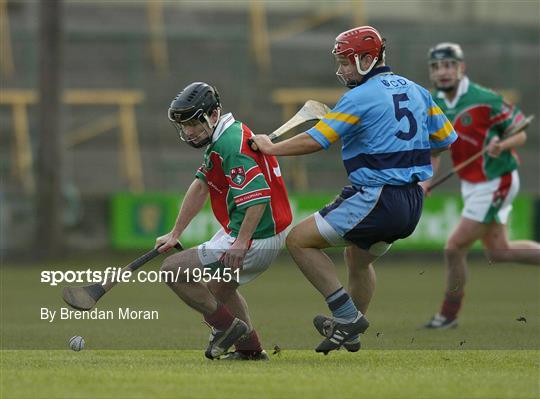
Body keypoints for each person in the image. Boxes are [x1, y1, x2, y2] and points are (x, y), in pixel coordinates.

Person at [251, 26, 457, 354]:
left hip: (376, 196)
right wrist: (420, 178)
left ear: (366, 59)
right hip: (412, 201)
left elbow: (316, 139)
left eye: (346, 62)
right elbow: (445, 140)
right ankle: (353, 330)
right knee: (358, 259)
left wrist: (269, 147)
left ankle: (348, 317)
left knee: (298, 240)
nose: (341, 69)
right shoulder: (419, 91)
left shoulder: (358, 97)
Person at [156, 82, 292, 359]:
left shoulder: (230, 143)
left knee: (172, 270)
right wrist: (175, 232)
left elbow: (257, 196)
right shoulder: (224, 138)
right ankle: (250, 350)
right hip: (251, 229)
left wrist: (241, 242)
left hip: (256, 234)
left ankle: (227, 328)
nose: (189, 131)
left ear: (214, 114)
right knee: (220, 287)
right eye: (184, 125)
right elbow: (201, 185)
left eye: (194, 123)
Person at [422, 43, 540, 329]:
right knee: (499, 251)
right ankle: (448, 316)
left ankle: (448, 315)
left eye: (449, 65)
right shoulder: (433, 105)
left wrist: (503, 144)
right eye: (437, 67)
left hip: (496, 180)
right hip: (472, 184)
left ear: (461, 68)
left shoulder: (484, 99)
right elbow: (434, 151)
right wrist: (425, 183)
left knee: (454, 247)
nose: (444, 72)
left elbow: (520, 133)